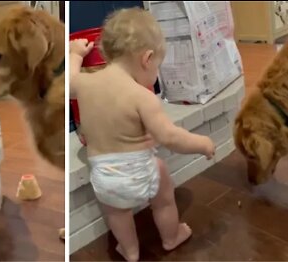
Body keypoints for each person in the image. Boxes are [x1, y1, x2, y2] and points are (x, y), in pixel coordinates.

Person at [70, 8, 216, 261]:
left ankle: (130, 250)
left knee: (117, 213)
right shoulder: (142, 97)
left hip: (104, 178)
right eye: (157, 67)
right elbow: (170, 137)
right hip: (141, 173)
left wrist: (74, 54)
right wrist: (202, 144)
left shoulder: (84, 84)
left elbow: (69, 81)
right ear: (147, 59)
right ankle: (171, 237)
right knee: (164, 198)